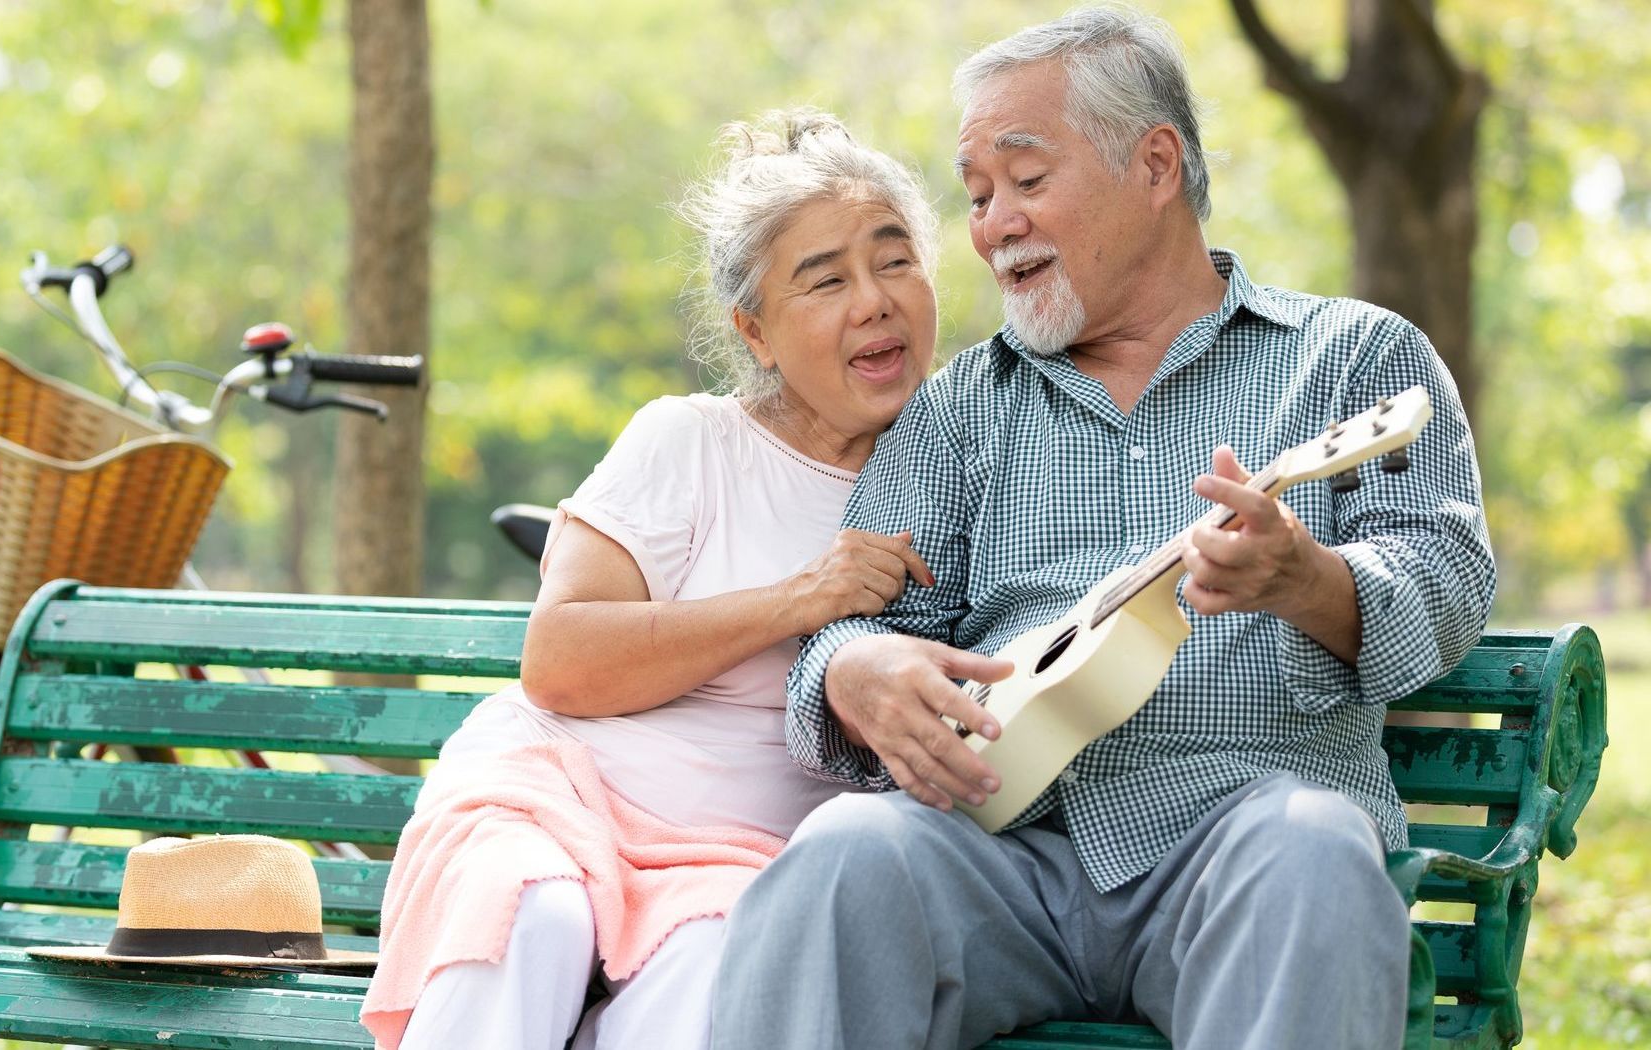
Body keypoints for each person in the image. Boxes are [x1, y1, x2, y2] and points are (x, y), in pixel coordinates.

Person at [710, 8, 1496, 1050]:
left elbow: (1443, 576)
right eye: (979, 195)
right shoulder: (959, 409)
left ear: (1156, 164)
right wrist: (854, 673)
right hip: (1003, 853)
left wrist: (1307, 578)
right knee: (845, 857)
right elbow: (847, 627)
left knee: (1316, 852)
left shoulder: (1354, 359)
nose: (993, 226)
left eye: (1027, 182)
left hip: (1241, 840)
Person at [358, 109, 944, 1050]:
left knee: (716, 970)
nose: (873, 301)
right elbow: (559, 661)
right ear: (755, 332)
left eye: (895, 261)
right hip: (557, 801)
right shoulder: (691, 440)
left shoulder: (967, 472)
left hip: (734, 862)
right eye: (826, 280)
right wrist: (801, 599)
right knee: (536, 915)